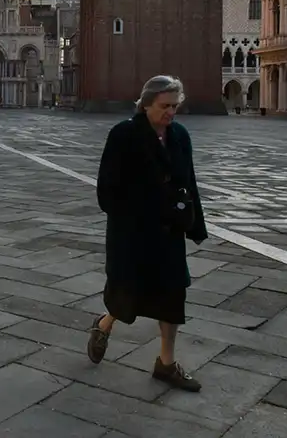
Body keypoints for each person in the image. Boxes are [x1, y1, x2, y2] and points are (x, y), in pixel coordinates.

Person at [86, 75, 207, 392]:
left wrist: (195, 225)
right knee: (127, 295)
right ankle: (103, 324)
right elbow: (106, 193)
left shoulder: (179, 135)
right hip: (133, 236)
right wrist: (139, 210)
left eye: (175, 106)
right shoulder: (123, 135)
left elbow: (189, 183)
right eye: (165, 106)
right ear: (146, 104)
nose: (171, 113)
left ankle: (166, 364)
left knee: (172, 297)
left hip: (168, 236)